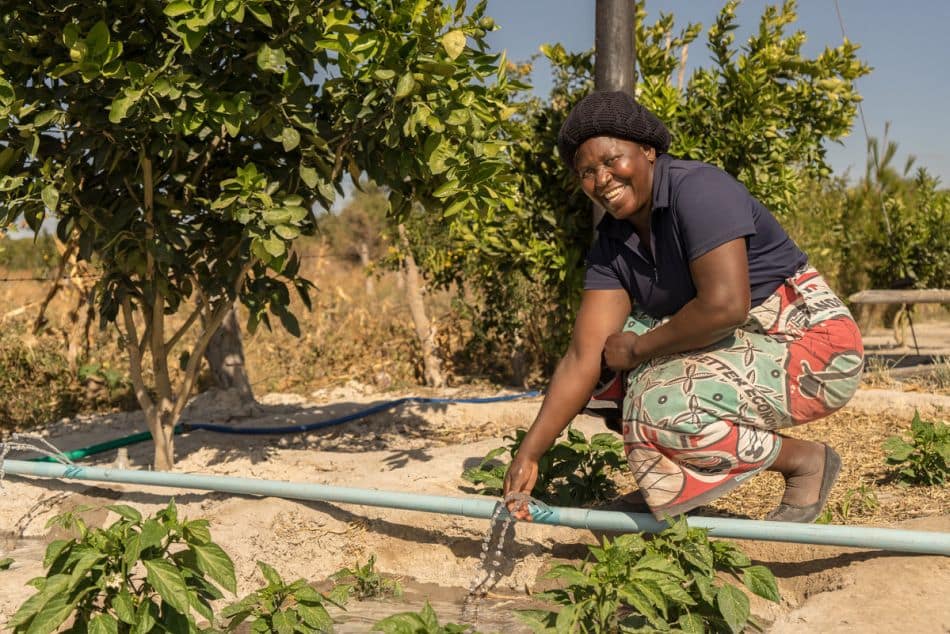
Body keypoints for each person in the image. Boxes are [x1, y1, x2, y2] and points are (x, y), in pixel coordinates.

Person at [503, 91, 864, 523]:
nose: (601, 180)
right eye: (586, 171)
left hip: (814, 348)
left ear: (648, 151)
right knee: (604, 372)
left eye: (611, 160)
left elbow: (726, 306)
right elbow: (584, 355)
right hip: (741, 344)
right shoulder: (613, 243)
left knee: (653, 393)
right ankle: (669, 482)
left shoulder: (698, 189)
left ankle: (805, 461)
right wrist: (529, 454)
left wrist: (638, 351)